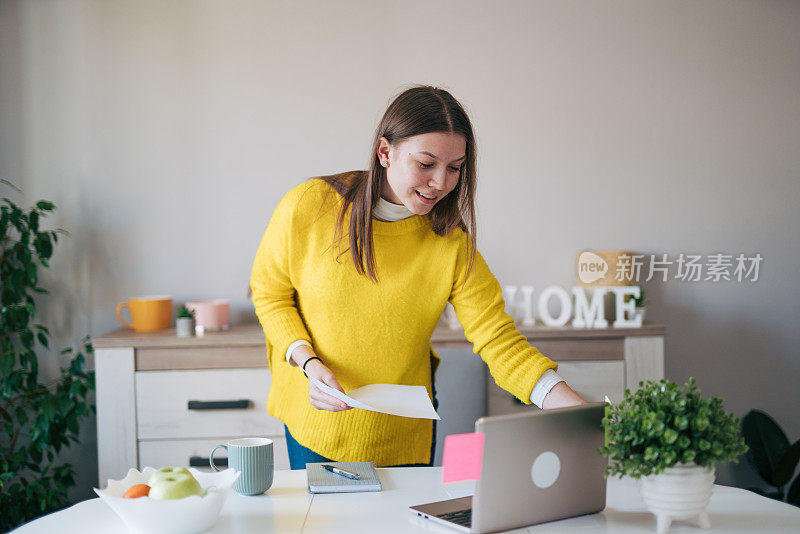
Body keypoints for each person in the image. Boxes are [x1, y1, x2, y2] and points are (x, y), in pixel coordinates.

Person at [250, 84, 586, 470]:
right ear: (385, 152)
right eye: (426, 164)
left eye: (455, 168)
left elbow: (499, 341)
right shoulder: (310, 206)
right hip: (317, 424)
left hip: (403, 435)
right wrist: (306, 361)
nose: (441, 183)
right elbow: (270, 294)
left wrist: (580, 415)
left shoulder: (450, 243)